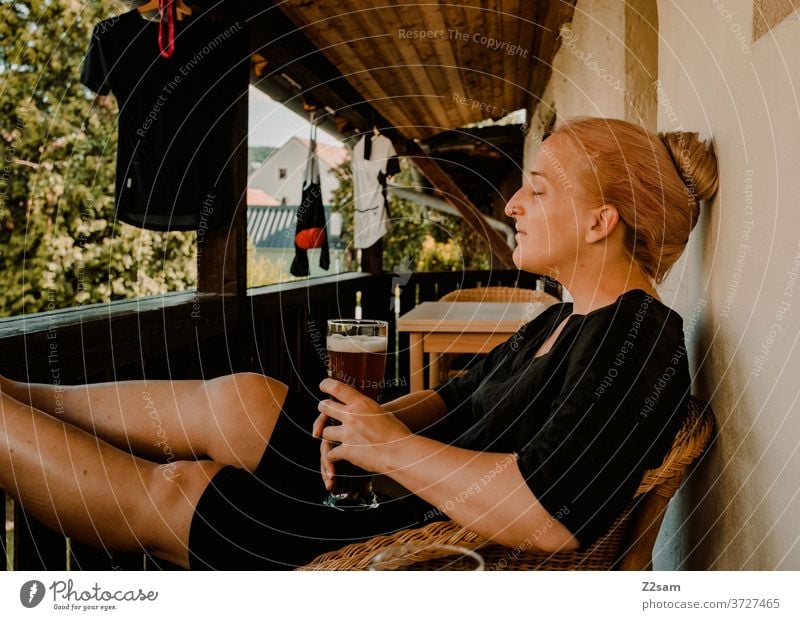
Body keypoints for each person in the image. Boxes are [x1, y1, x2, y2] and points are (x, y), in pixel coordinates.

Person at [0, 117, 718, 570]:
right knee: (248, 401)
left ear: (600, 221)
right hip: (391, 483)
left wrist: (383, 447)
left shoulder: (639, 339)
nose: (511, 204)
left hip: (415, 534)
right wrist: (361, 424)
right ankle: (21, 393)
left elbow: (548, 515)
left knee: (179, 488)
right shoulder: (560, 319)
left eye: (537, 188)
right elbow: (454, 397)